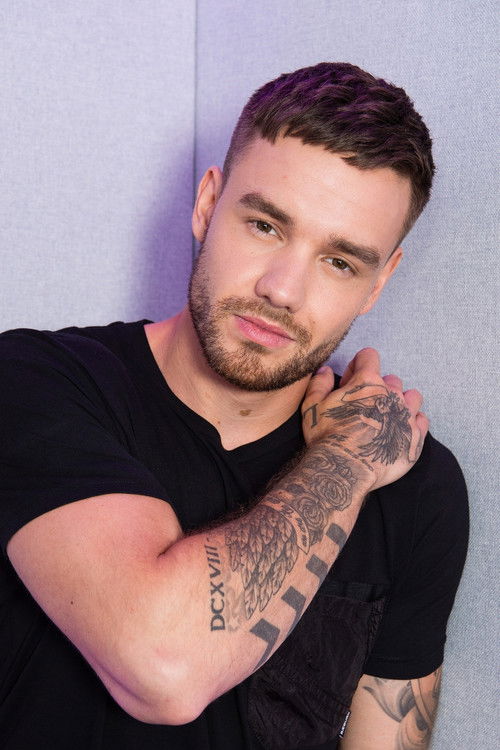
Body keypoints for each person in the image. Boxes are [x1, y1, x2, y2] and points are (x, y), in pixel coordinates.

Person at [0, 62, 468, 750]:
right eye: (266, 226)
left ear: (378, 283)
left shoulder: (418, 490)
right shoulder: (36, 382)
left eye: (340, 262)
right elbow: (162, 668)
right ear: (207, 204)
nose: (283, 289)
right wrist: (346, 459)